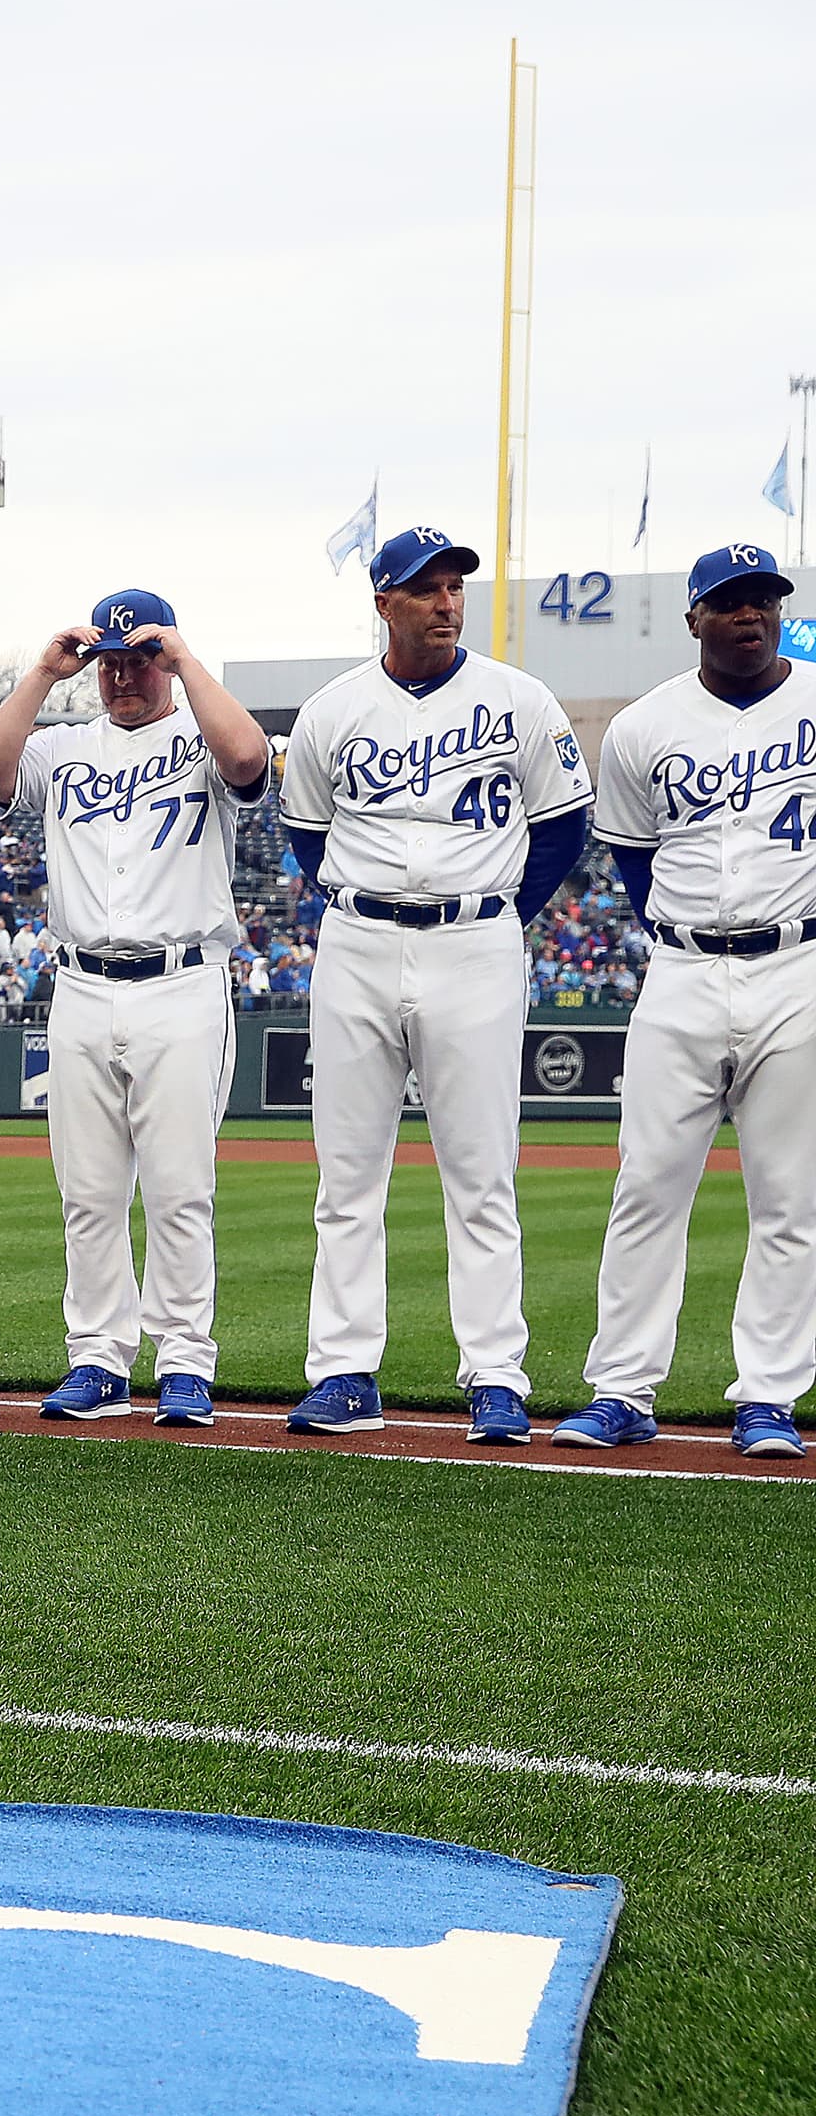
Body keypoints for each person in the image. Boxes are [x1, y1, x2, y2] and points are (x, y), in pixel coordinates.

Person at [274, 524, 591, 1441]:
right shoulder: (333, 708)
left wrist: (501, 914)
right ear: (385, 602)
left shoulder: (519, 699)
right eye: (426, 588)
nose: (447, 602)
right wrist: (367, 902)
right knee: (347, 1175)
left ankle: (495, 1375)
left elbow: (563, 827)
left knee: (481, 1173)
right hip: (360, 941)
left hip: (476, 942)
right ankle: (344, 1373)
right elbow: (306, 836)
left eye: (455, 586)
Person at [0, 591, 269, 1427]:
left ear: (164, 660)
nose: (122, 676)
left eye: (138, 660)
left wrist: (184, 659)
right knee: (89, 1193)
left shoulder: (202, 734)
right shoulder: (62, 746)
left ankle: (184, 1362)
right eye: (110, 663)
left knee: (180, 1189)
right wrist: (42, 672)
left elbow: (249, 757)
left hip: (183, 981)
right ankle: (98, 1359)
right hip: (81, 985)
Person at [556, 545, 812, 1459]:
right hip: (682, 967)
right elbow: (634, 857)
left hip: (799, 963)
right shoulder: (643, 726)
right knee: (648, 1184)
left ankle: (769, 1396)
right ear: (694, 617)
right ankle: (623, 1390)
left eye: (764, 599)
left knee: (792, 1197)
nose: (751, 615)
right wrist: (686, 935)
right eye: (731, 602)